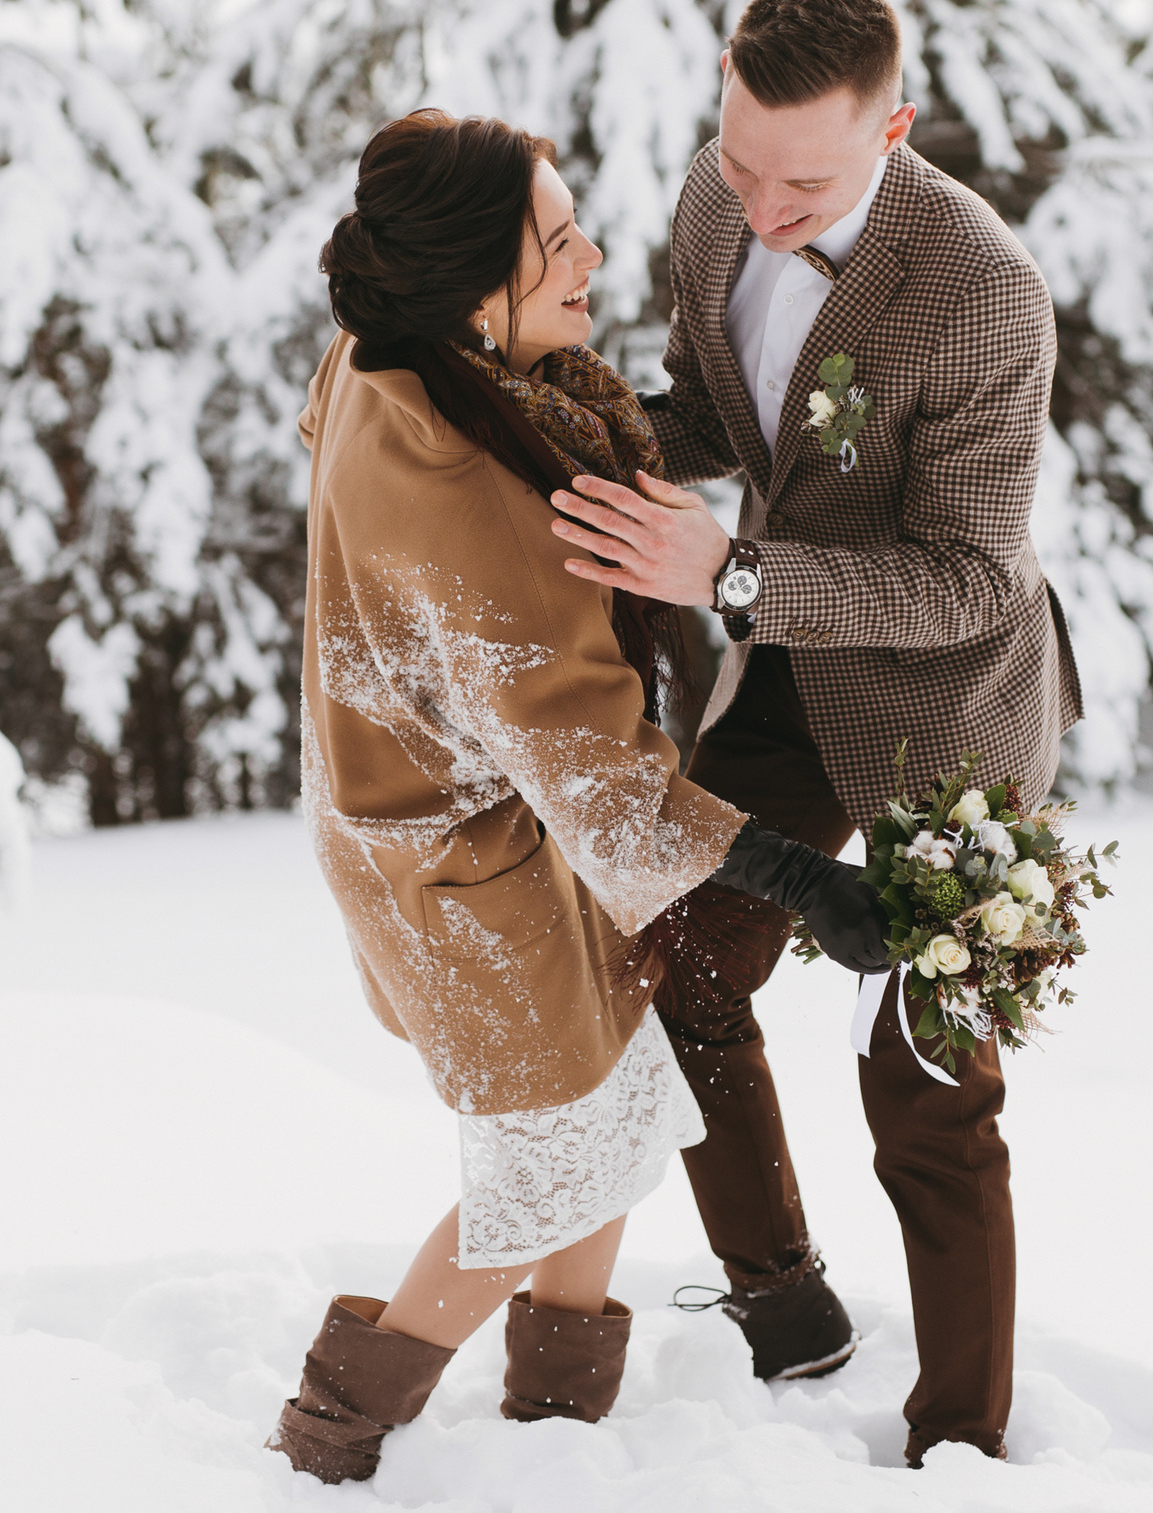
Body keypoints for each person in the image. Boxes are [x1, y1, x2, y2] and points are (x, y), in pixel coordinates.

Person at [274, 109, 892, 1485]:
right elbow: (601, 777)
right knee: (556, 1148)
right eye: (557, 244)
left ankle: (560, 1423)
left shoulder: (400, 352)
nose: (595, 256)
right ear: (471, 290)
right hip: (454, 864)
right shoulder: (476, 496)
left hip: (464, 815)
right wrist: (809, 884)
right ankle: (333, 1432)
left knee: (622, 1092)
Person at [543, 0, 1084, 1466]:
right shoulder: (721, 201)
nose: (762, 207)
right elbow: (718, 411)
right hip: (786, 666)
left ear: (895, 128)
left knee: (925, 1086)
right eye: (740, 159)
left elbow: (974, 576)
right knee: (677, 960)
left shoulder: (982, 293)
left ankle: (959, 1443)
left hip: (953, 717)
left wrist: (736, 572)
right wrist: (569, 448)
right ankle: (785, 1305)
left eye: (806, 179)